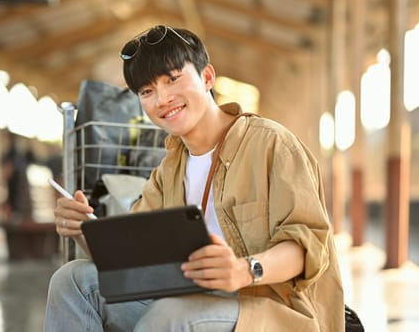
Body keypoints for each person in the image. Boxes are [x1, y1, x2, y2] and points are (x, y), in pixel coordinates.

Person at [44, 25, 345, 331]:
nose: (162, 99)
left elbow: (307, 246)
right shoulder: (168, 171)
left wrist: (245, 270)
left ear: (207, 77)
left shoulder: (272, 144)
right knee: (73, 280)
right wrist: (83, 229)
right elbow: (131, 262)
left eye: (172, 79)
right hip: (192, 298)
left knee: (171, 315)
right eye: (147, 91)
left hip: (267, 310)